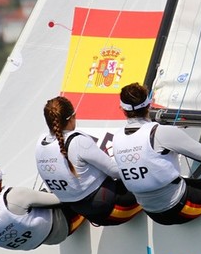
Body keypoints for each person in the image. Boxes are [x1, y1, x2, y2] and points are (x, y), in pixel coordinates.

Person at [112, 82, 201, 225]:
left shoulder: (117, 138)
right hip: (176, 207)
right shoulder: (160, 132)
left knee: (191, 184)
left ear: (122, 110)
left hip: (152, 212)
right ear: (149, 105)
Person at [37, 96, 143, 226]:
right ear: (72, 117)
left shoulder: (40, 144)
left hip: (86, 211)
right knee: (150, 182)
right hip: (114, 209)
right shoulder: (78, 141)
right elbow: (115, 172)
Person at [0, 161, 84, 250]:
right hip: (66, 222)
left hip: (49, 240)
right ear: (0, 182)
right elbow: (64, 199)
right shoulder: (13, 197)